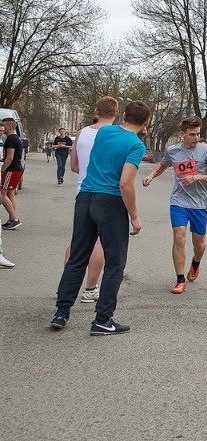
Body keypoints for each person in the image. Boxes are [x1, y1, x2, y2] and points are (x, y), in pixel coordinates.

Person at [50, 101, 150, 335]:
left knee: (77, 257)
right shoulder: (136, 145)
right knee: (115, 262)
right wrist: (134, 216)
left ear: (123, 115)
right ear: (146, 122)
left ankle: (61, 312)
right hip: (110, 202)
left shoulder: (104, 132)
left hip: (85, 197)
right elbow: (125, 183)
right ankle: (103, 319)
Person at [142, 116, 207, 295]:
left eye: (198, 134)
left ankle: (195, 263)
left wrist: (196, 177)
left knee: (199, 244)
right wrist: (150, 176)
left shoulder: (206, 151)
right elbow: (162, 166)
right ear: (183, 134)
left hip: (200, 203)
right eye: (192, 134)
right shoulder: (173, 151)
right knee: (179, 237)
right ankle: (180, 279)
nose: (195, 138)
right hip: (179, 201)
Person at [68, 96, 120, 303]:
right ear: (116, 114)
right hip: (105, 192)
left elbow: (73, 166)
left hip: (82, 190)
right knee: (97, 241)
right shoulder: (116, 135)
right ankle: (90, 289)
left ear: (96, 111)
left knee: (77, 241)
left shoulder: (82, 133)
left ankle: (67, 285)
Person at [1, 117, 25, 230]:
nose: (2, 128)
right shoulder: (16, 138)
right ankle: (11, 219)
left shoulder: (11, 139)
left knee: (2, 194)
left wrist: (3, 169)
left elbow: (9, 157)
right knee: (10, 194)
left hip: (11, 169)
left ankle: (14, 219)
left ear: (9, 127)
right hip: (17, 169)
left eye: (4, 126)